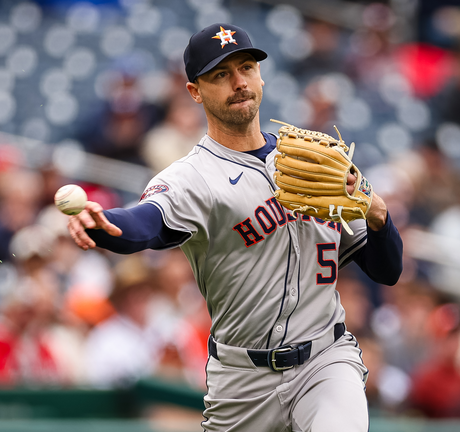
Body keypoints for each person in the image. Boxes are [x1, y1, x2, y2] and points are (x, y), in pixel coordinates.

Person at [66, 23, 403, 432]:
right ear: (195, 92)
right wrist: (105, 223)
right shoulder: (193, 176)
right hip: (243, 381)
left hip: (325, 361)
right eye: (221, 75)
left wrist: (378, 215)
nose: (239, 82)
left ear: (261, 76)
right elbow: (147, 223)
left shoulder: (317, 163)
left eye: (246, 67)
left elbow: (387, 271)